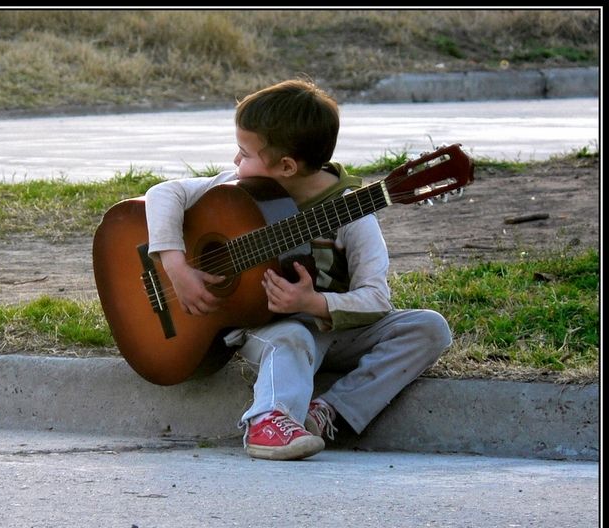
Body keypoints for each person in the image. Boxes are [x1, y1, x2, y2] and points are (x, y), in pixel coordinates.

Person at [144, 78, 452, 460]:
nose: (236, 162)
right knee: (292, 336)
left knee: (428, 327)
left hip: (333, 330)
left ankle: (327, 414)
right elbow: (162, 193)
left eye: (244, 153)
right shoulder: (237, 187)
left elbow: (376, 298)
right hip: (266, 328)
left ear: (286, 166)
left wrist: (314, 303)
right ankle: (267, 421)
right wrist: (175, 265)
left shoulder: (352, 215)